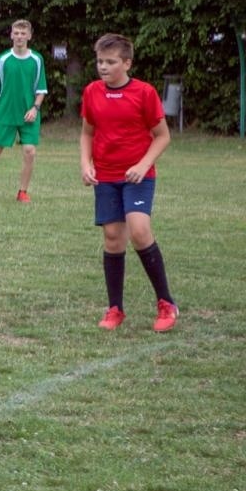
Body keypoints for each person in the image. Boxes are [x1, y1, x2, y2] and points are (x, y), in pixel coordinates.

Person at [80, 33, 177, 331]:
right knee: (112, 237)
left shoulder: (144, 93)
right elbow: (87, 132)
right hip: (105, 176)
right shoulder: (92, 92)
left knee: (139, 230)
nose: (103, 67)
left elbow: (163, 136)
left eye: (110, 62)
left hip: (138, 176)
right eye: (100, 61)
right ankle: (115, 309)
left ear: (127, 63)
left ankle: (166, 303)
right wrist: (86, 164)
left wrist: (143, 165)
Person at [0, 18, 48, 202]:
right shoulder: (3, 60)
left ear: (29, 36)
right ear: (11, 35)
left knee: (30, 151)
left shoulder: (36, 60)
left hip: (28, 114)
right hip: (5, 113)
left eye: (23, 33)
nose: (19, 37)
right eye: (16, 33)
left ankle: (22, 192)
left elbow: (41, 89)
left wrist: (35, 108)